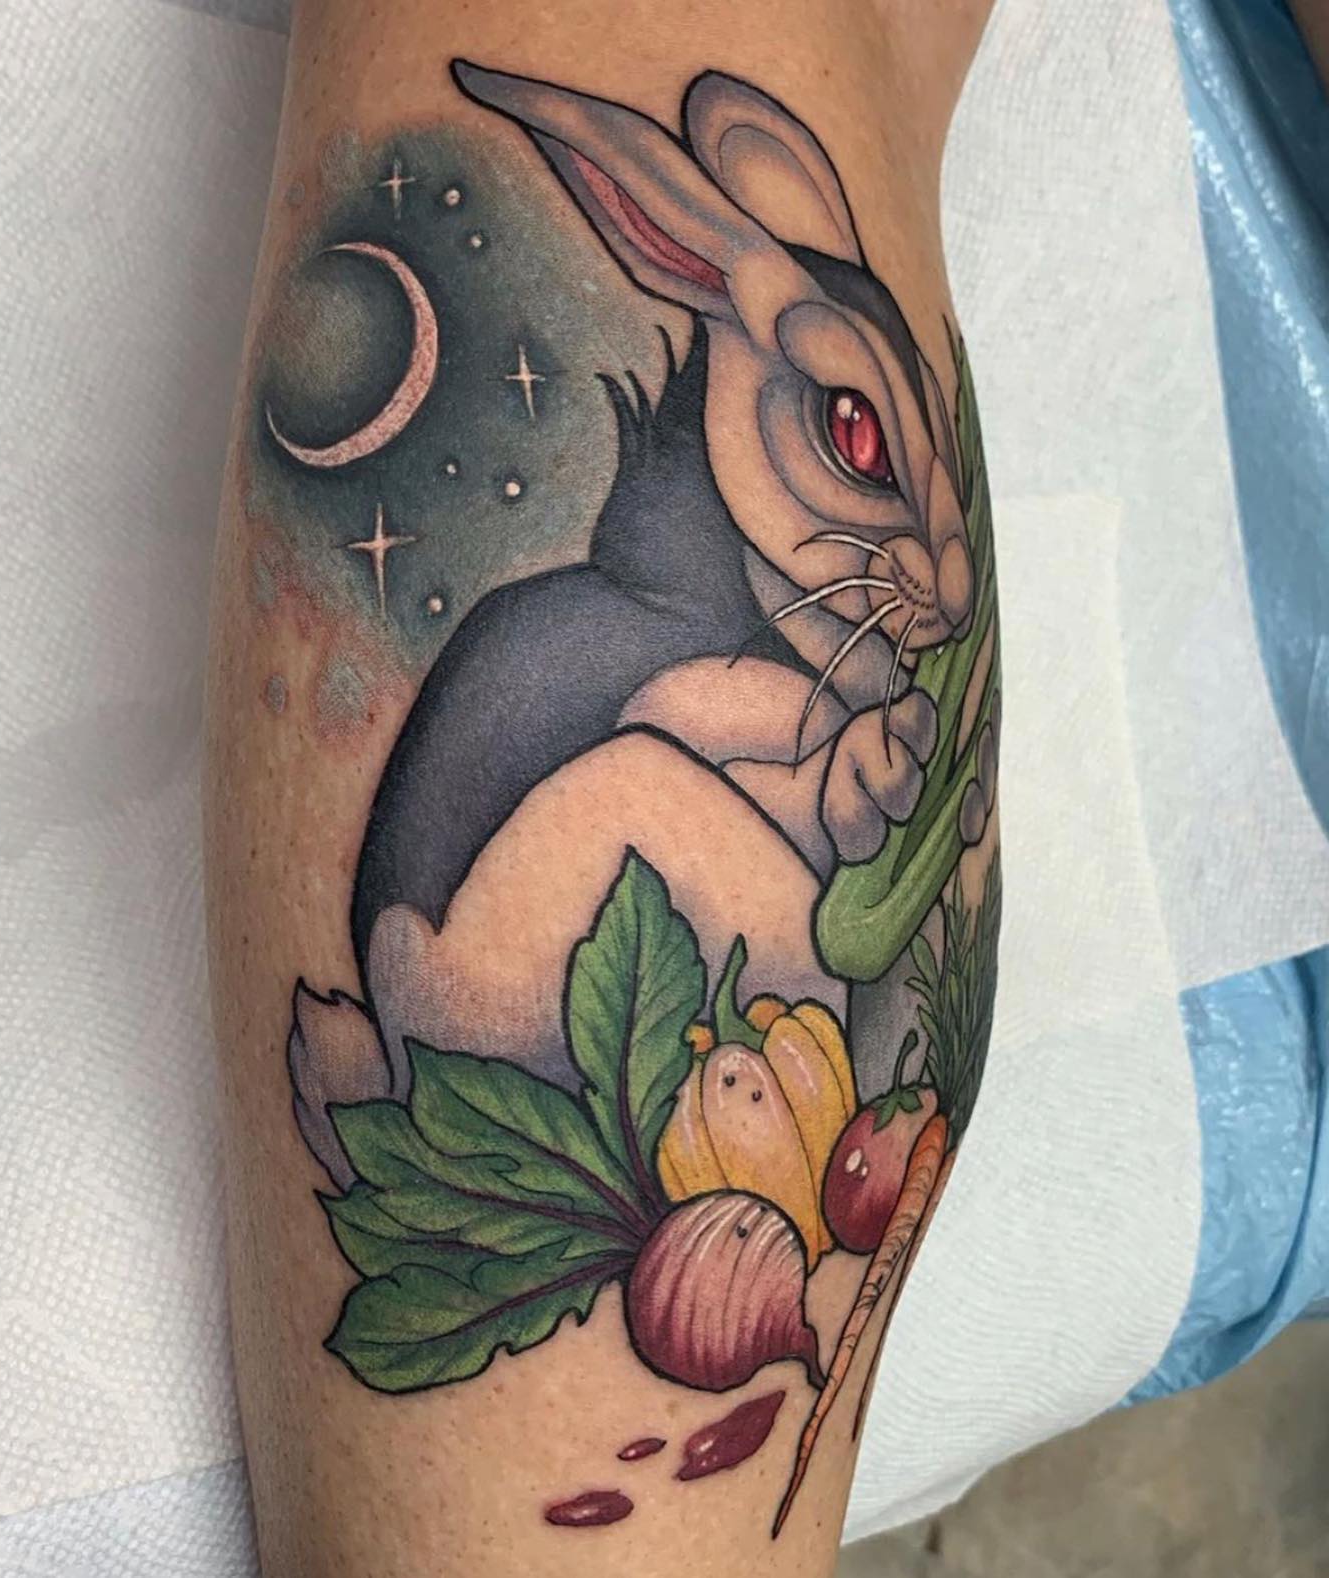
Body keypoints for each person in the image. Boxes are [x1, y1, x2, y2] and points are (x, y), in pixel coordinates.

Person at [204, 3, 1000, 1572]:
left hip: (629, 1017)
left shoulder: (760, 608)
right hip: (472, 963)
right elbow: (683, 729)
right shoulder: (670, 608)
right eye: (849, 437)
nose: (929, 567)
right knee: (644, 793)